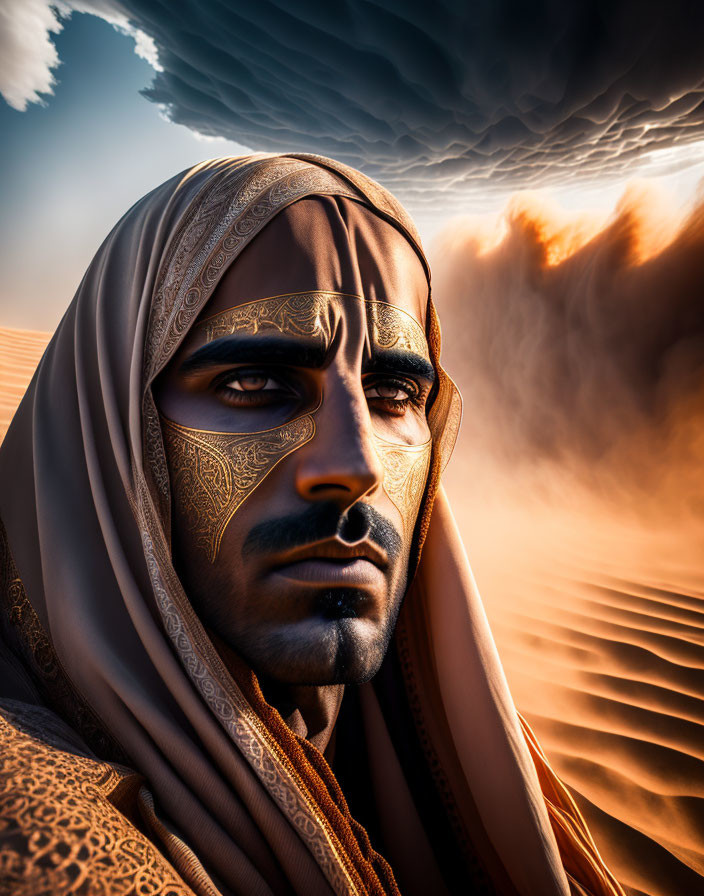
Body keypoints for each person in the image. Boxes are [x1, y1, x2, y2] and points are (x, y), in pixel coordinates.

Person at [0, 153, 624, 896]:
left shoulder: (393, 745)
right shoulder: (41, 820)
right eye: (255, 382)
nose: (356, 465)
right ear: (110, 434)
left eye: (395, 390)